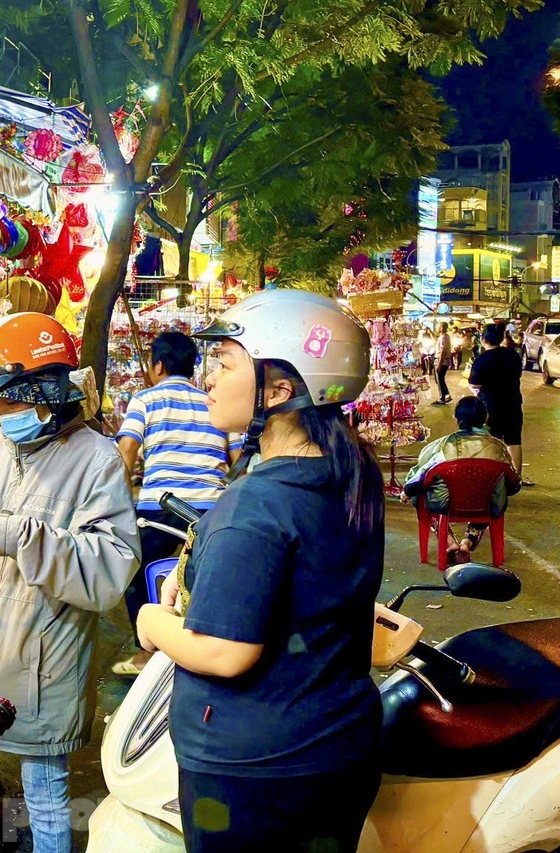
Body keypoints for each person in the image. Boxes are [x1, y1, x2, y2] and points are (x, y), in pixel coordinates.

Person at [136, 291, 384, 852]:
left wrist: (152, 621)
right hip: (338, 750)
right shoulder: (352, 472)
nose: (208, 380)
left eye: (223, 363)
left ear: (279, 390)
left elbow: (226, 651)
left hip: (254, 771)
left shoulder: (257, 504)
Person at [0, 312, 139, 853]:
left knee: (44, 795)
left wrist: (22, 537)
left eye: (9, 401)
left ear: (45, 392)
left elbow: (111, 566)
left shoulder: (95, 458)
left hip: (44, 667)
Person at [112, 331, 238, 677]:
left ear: (159, 365)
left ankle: (146, 653)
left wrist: (123, 506)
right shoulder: (214, 400)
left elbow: (126, 453)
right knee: (208, 577)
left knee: (134, 571)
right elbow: (239, 458)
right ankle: (203, 642)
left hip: (158, 508)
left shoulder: (145, 400)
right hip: (210, 511)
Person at [402, 396, 521, 562]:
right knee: (493, 496)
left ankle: (450, 542)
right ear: (486, 418)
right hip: (485, 505)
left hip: (447, 504)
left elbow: (419, 477)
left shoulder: (442, 446)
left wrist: (407, 491)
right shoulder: (499, 447)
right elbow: (514, 484)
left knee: (420, 495)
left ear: (456, 419)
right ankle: (467, 542)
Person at [469, 323, 533, 486]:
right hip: (512, 402)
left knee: (493, 440)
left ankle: (493, 477)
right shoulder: (512, 354)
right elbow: (518, 374)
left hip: (490, 406)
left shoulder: (481, 359)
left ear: (483, 340)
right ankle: (515, 479)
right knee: (514, 441)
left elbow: (475, 384)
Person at [432, 322, 453, 404]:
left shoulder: (443, 337)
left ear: (441, 328)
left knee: (439, 380)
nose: (436, 328)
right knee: (439, 380)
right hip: (443, 361)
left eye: (438, 327)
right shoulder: (444, 337)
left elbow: (442, 352)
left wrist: (439, 364)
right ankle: (446, 394)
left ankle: (442, 398)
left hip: (442, 361)